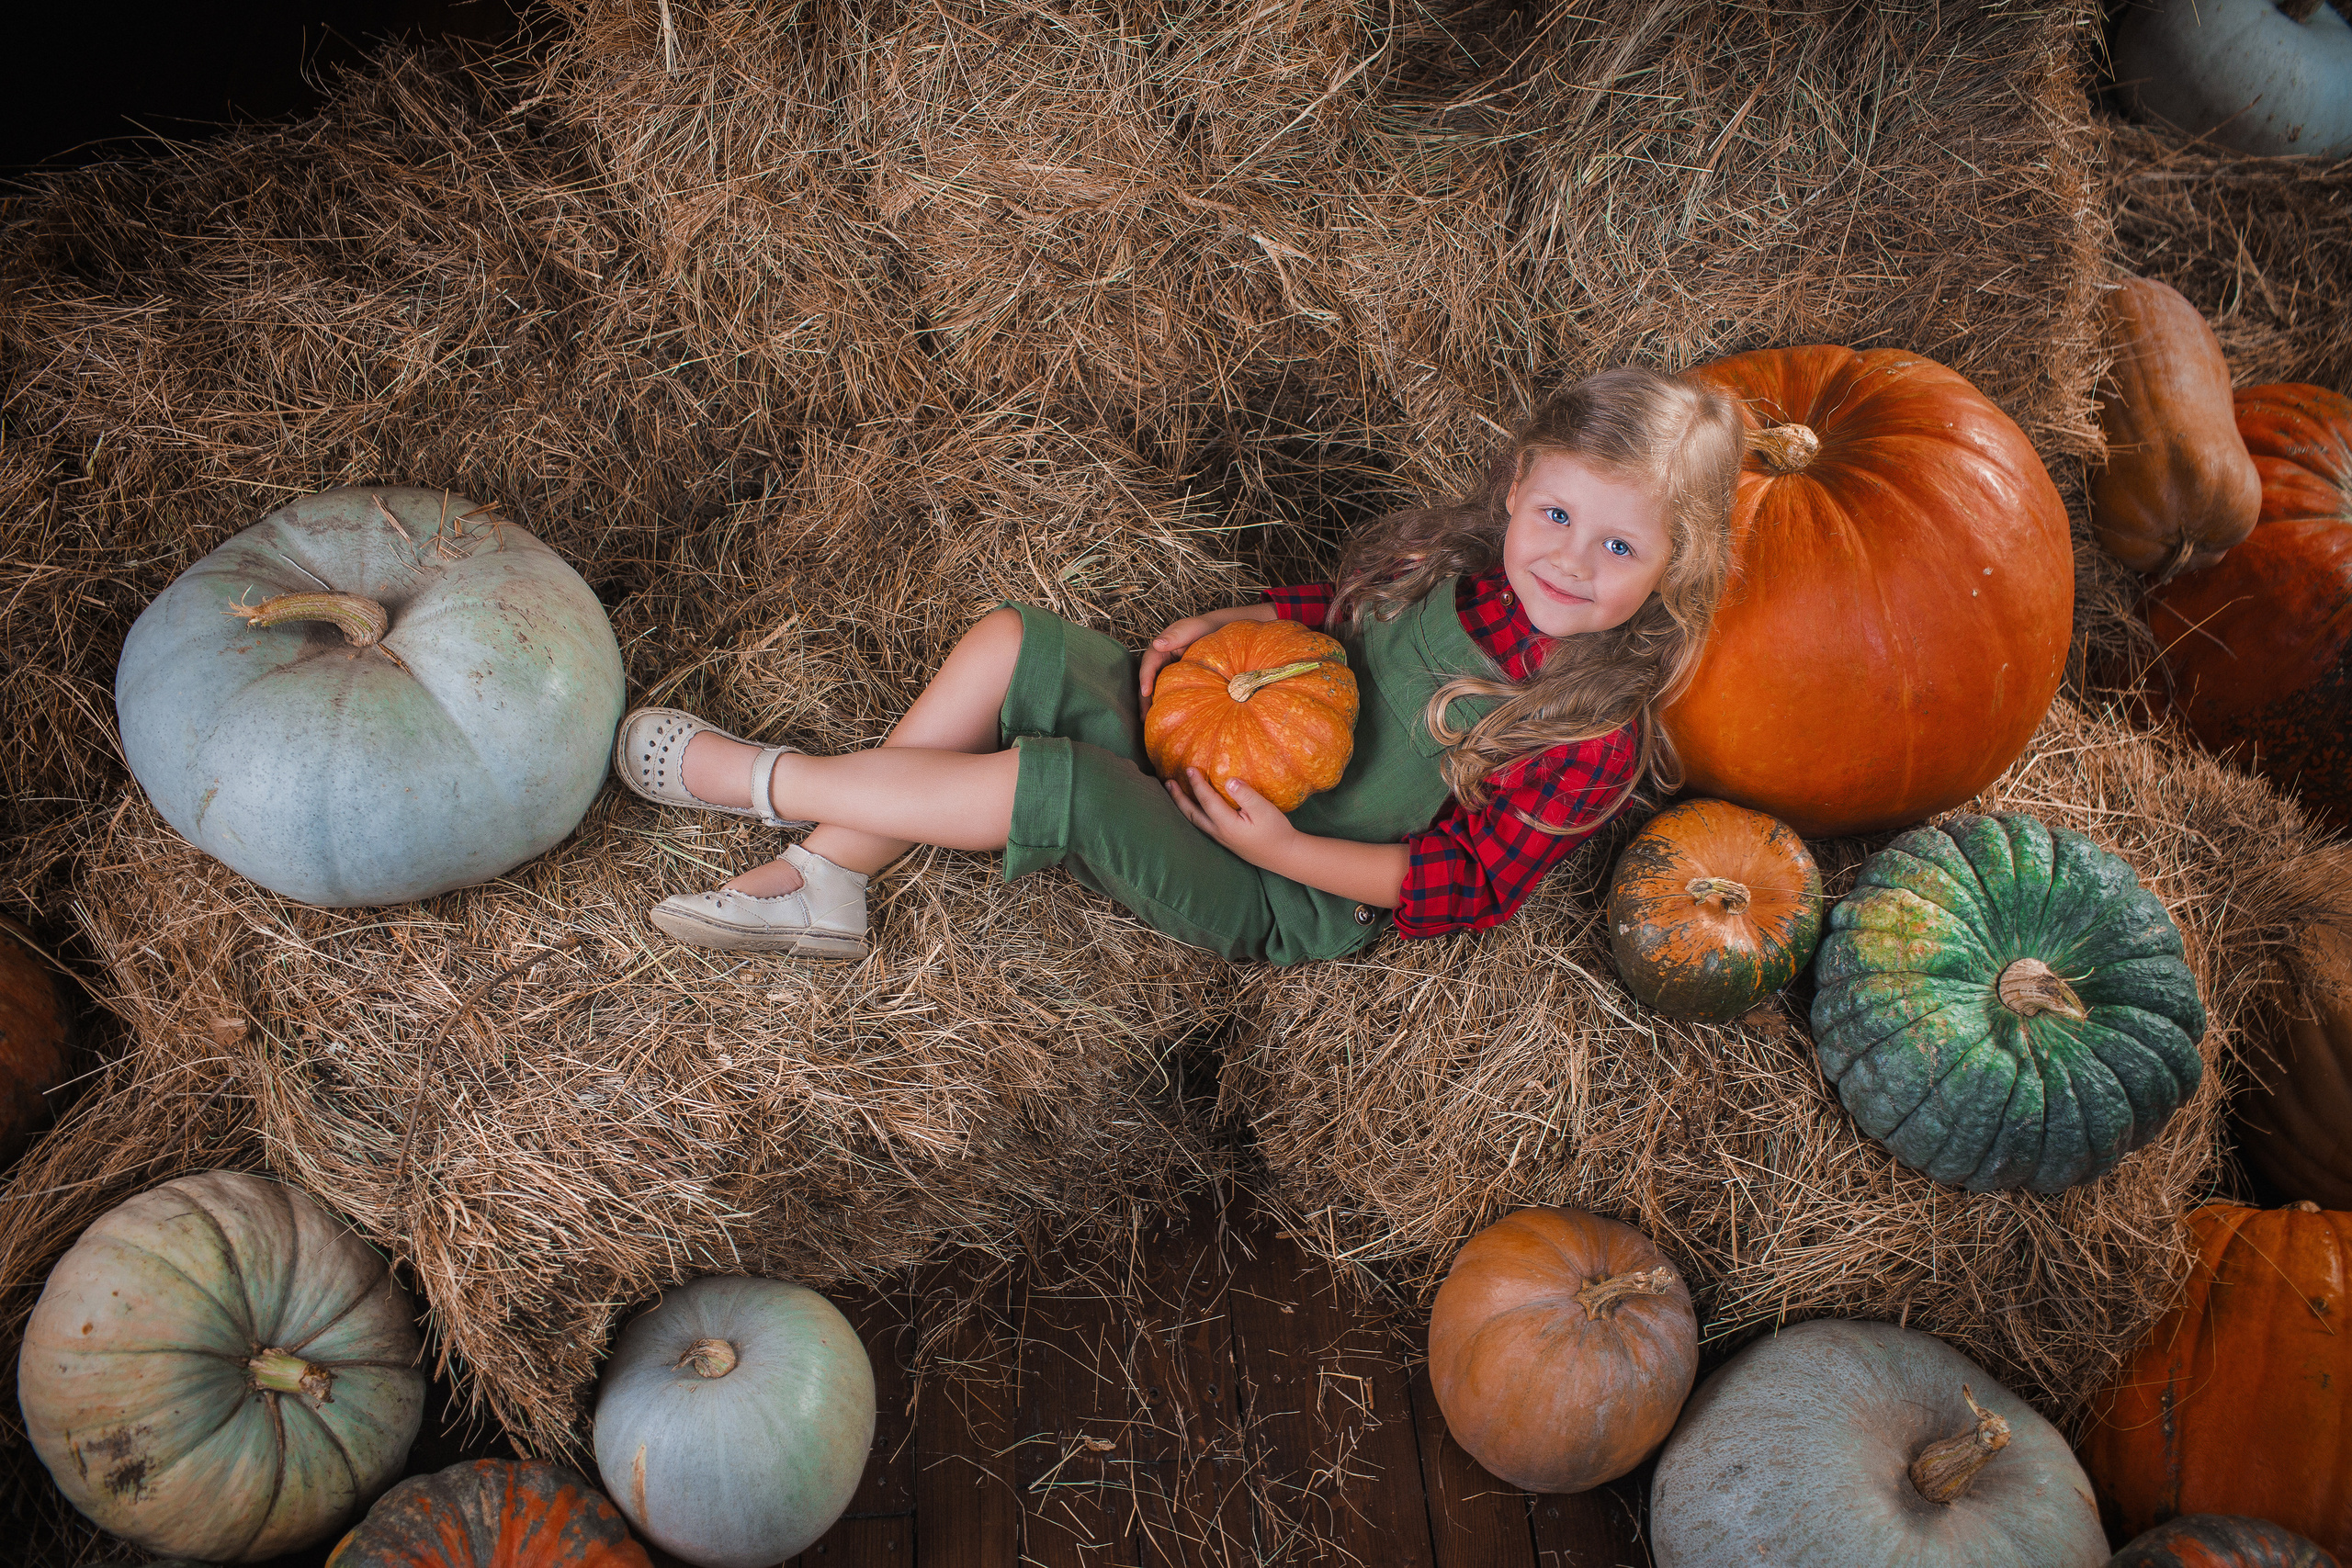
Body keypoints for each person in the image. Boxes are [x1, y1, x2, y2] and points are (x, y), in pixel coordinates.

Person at [613, 366, 1746, 963]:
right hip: (1220, 740)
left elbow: (1471, 889)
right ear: (1516, 487)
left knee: (1054, 780)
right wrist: (1231, 622)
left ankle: (765, 782)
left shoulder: (1585, 724)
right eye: (1554, 512)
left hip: (1282, 882)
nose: (1569, 558)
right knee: (1016, 644)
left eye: (1618, 546)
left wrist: (1284, 847)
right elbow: (1342, 620)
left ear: (1673, 562)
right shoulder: (1463, 566)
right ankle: (830, 877)